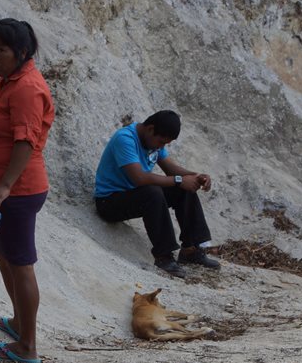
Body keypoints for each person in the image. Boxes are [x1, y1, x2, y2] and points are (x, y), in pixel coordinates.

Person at [0, 18, 55, 363]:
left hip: (19, 192)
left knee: (21, 264)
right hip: (8, 192)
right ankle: (20, 322)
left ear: (21, 52)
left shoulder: (26, 89)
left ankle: (28, 346)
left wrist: (5, 185)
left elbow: (25, 141)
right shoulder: (10, 81)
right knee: (0, 252)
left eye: (0, 50)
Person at [93, 110, 221, 278]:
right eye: (161, 142)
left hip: (134, 194)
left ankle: (191, 250)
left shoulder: (152, 141)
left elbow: (170, 169)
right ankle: (164, 256)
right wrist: (179, 180)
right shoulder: (125, 139)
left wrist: (195, 176)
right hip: (109, 203)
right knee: (153, 192)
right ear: (150, 129)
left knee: (184, 188)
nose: (161, 147)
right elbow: (140, 178)